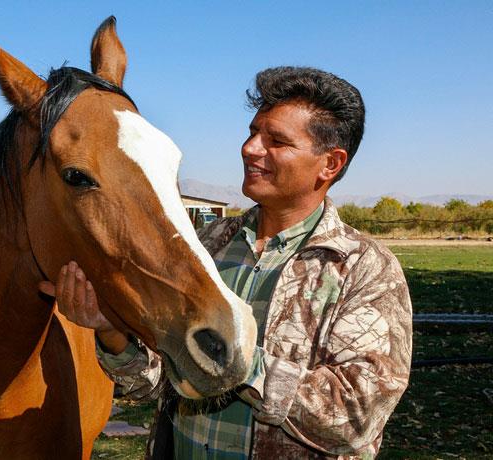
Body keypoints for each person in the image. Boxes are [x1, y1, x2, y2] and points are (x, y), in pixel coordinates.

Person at [40, 66, 412, 459]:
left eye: (277, 141)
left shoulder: (364, 269)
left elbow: (356, 419)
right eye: (253, 132)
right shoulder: (208, 246)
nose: (250, 148)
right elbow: (156, 383)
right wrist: (111, 331)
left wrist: (239, 364)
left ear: (330, 164)